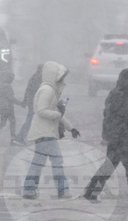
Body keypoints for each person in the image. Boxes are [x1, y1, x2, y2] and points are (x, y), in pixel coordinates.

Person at [83, 68, 128, 204]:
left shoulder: (120, 95)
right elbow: (114, 118)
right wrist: (113, 136)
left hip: (118, 137)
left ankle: (91, 192)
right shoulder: (121, 97)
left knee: (110, 167)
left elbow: (119, 117)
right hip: (121, 138)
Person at [22, 61, 81, 200]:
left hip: (44, 132)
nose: (62, 80)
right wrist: (58, 113)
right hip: (45, 132)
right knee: (57, 161)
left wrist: (70, 127)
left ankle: (29, 190)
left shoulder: (49, 90)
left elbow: (56, 112)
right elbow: (42, 111)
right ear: (52, 76)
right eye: (60, 77)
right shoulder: (47, 90)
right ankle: (63, 190)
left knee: (38, 162)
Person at [0, 71, 24, 145]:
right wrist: (20, 103)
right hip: (7, 107)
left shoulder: (1, 85)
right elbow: (10, 98)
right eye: (11, 78)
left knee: (3, 123)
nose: (12, 80)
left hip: (1, 106)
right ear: (8, 78)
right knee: (12, 122)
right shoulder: (7, 86)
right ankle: (13, 138)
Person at [16, 64, 43, 144]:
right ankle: (20, 137)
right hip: (35, 102)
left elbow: (28, 90)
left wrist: (25, 101)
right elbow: (36, 91)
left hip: (32, 101)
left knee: (35, 120)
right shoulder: (38, 78)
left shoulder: (34, 77)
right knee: (30, 120)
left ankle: (38, 138)